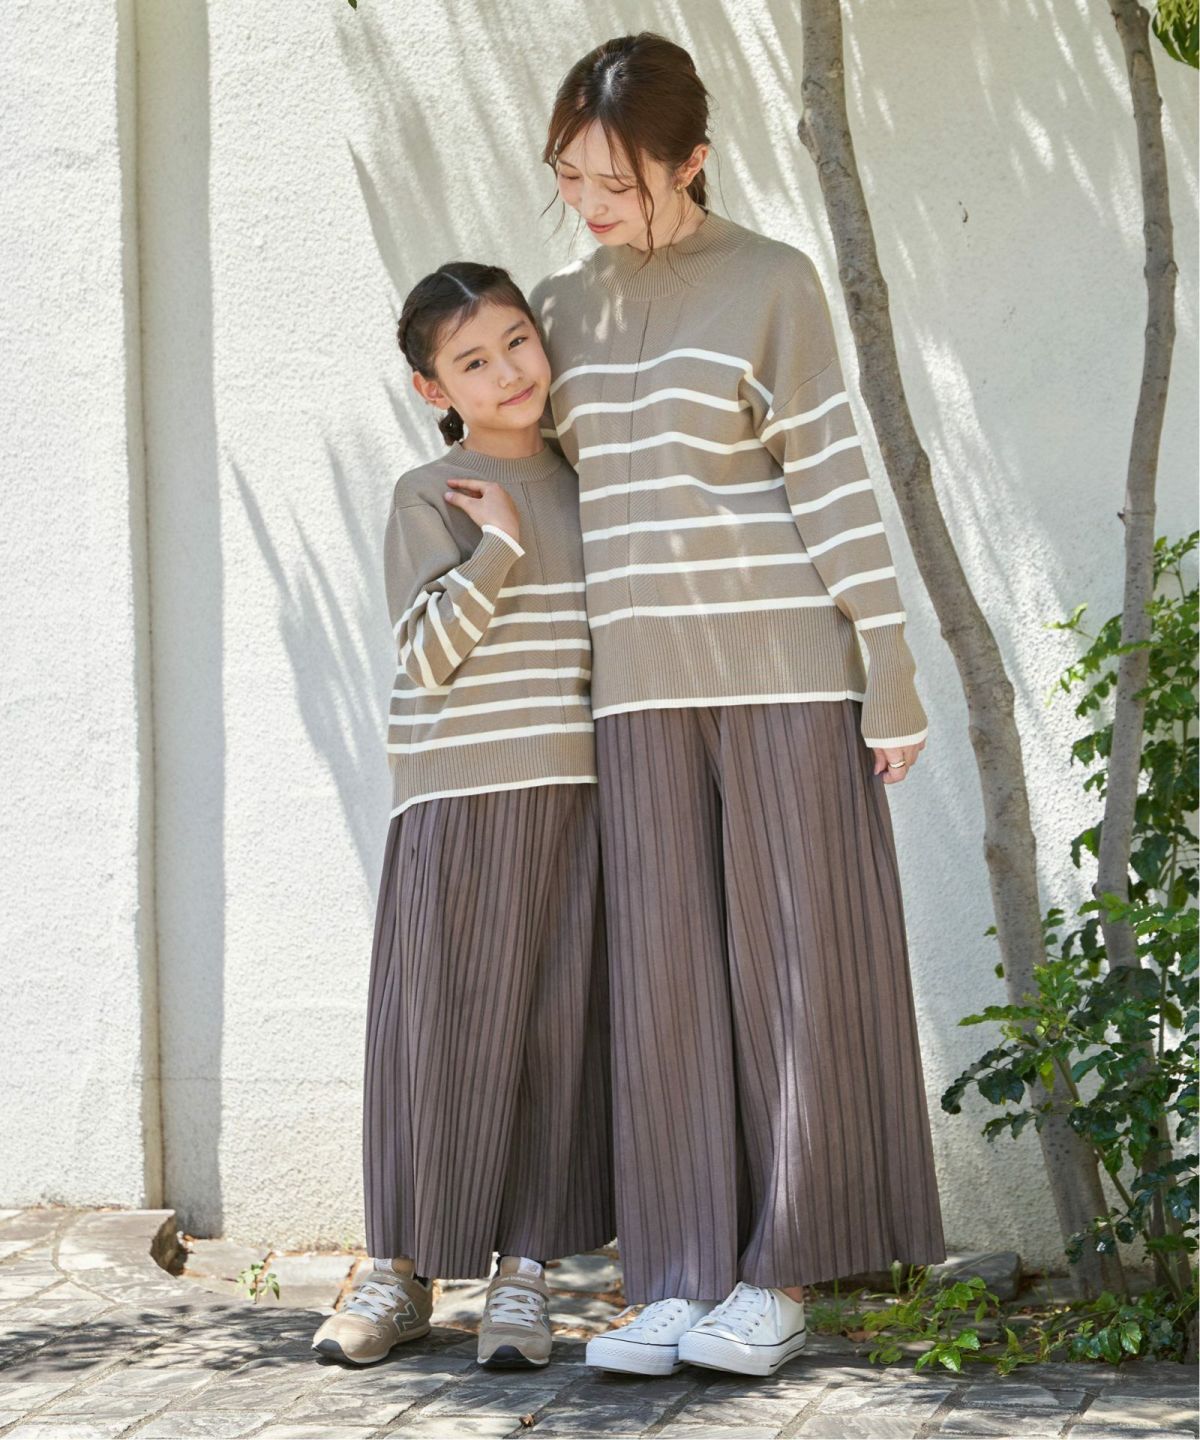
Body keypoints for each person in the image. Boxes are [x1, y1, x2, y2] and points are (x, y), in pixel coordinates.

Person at [528, 33, 947, 1380]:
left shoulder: (773, 282)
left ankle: (780, 1276)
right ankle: (675, 1272)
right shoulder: (560, 309)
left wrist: (889, 669)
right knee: (661, 988)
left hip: (785, 675)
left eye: (617, 181)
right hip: (637, 695)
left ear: (691, 161)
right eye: (570, 176)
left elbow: (828, 475)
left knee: (796, 978)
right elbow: (546, 499)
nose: (590, 204)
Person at [312, 261, 613, 1370]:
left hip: (573, 794)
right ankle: (399, 1271)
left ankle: (523, 1280)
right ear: (432, 387)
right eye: (473, 362)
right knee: (431, 1034)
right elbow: (428, 656)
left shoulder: (591, 482)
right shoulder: (428, 493)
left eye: (517, 342)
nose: (507, 373)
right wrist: (498, 549)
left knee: (550, 1032)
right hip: (452, 795)